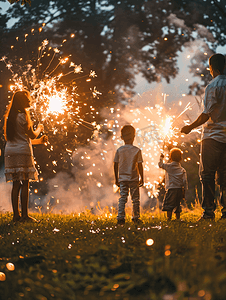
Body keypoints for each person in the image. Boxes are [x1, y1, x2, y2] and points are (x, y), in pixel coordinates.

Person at [181, 53, 226, 220]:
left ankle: (208, 212)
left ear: (212, 68)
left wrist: (189, 127)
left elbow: (206, 114)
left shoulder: (213, 86)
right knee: (225, 175)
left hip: (212, 137)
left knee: (207, 175)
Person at [4, 90, 47, 223]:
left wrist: (39, 142)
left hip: (10, 152)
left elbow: (22, 139)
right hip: (23, 152)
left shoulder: (9, 117)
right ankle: (25, 216)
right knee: (25, 183)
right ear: (23, 102)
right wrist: (39, 128)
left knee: (16, 184)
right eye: (28, 100)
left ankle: (15, 216)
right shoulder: (23, 116)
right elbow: (32, 135)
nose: (30, 102)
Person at [114, 125, 144, 225]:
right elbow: (140, 165)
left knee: (123, 197)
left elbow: (115, 165)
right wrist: (142, 178)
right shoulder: (137, 150)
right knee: (135, 199)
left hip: (122, 178)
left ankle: (120, 217)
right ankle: (135, 217)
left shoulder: (119, 150)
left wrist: (116, 179)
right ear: (134, 136)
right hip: (134, 178)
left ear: (122, 137)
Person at [158, 148, 188, 221]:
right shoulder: (182, 169)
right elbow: (184, 181)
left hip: (171, 189)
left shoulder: (168, 166)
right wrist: (184, 189)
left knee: (169, 204)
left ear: (170, 158)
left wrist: (161, 157)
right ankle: (178, 218)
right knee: (177, 204)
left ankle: (169, 218)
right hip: (179, 189)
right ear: (181, 158)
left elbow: (160, 165)